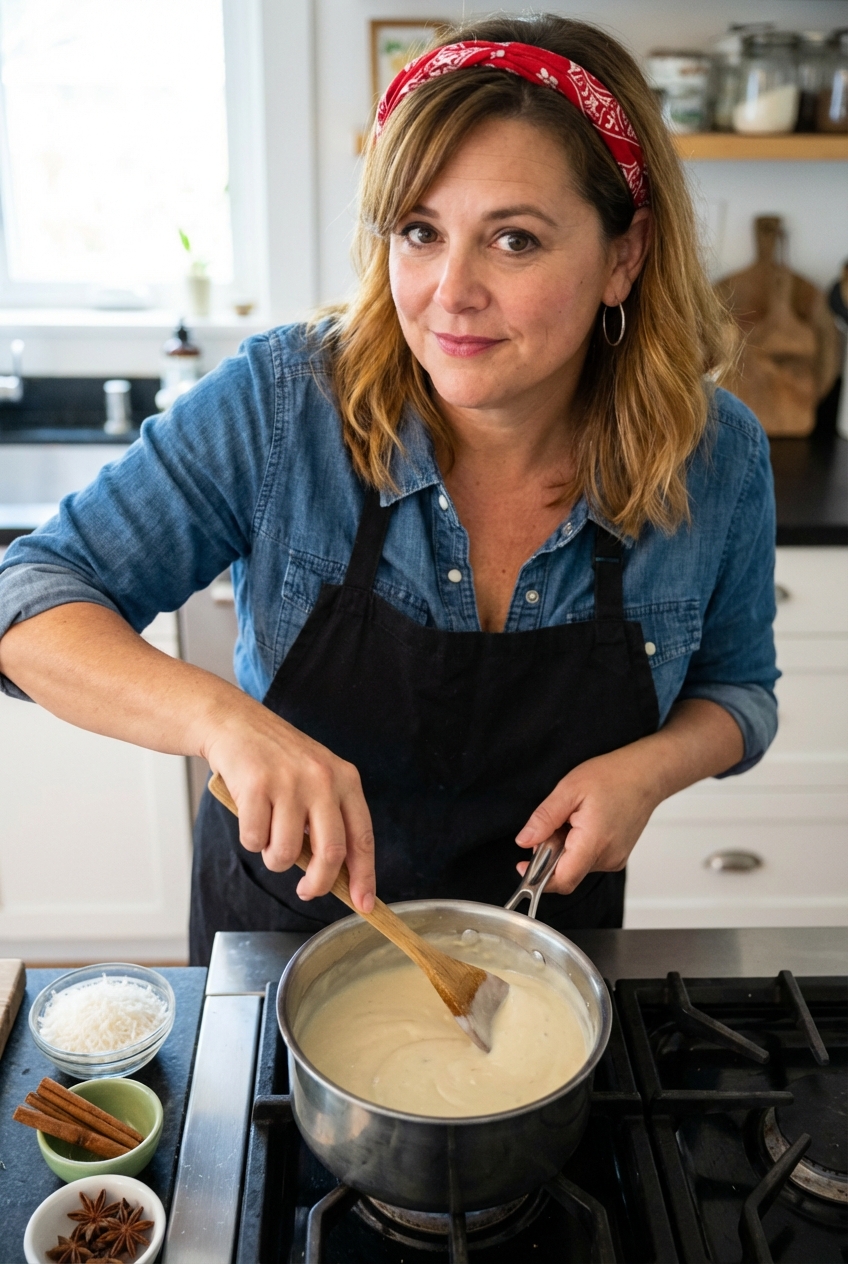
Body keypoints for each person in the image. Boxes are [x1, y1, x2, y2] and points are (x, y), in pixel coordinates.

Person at [0, 15, 778, 965]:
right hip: (279, 945)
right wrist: (223, 720)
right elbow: (29, 600)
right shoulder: (285, 405)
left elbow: (738, 692)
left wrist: (653, 769)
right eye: (420, 231)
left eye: (515, 241)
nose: (450, 291)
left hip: (546, 952)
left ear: (624, 255)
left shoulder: (718, 456)